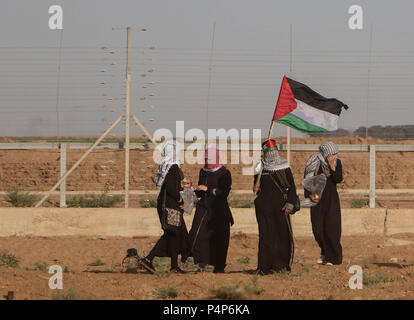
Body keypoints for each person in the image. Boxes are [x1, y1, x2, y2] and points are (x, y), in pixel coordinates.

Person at [141, 140, 190, 273]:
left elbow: (168, 185)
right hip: (170, 206)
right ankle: (148, 259)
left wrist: (180, 187)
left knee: (173, 234)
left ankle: (173, 266)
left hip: (165, 204)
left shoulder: (166, 166)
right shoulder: (173, 167)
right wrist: (180, 200)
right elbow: (170, 188)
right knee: (172, 233)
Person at [253, 139, 297, 274]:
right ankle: (264, 267)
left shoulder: (284, 166)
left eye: (273, 151)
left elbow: (292, 188)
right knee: (265, 236)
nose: (271, 154)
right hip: (264, 208)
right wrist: (256, 187)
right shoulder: (259, 167)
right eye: (268, 152)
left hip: (281, 208)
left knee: (282, 236)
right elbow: (256, 189)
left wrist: (290, 205)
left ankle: (282, 266)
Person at [186, 148, 234, 273]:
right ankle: (201, 263)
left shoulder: (224, 173)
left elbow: (224, 193)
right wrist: (189, 192)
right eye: (205, 159)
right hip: (203, 208)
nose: (207, 161)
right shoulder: (203, 171)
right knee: (198, 234)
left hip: (218, 211)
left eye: (209, 159)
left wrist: (208, 189)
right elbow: (200, 191)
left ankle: (219, 266)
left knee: (219, 238)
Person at [304, 141, 343, 266]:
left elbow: (338, 179)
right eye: (331, 154)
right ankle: (325, 253)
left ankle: (334, 258)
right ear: (325, 153)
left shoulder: (337, 163)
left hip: (331, 200)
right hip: (316, 200)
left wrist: (332, 165)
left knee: (332, 229)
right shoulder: (313, 162)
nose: (333, 156)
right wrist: (309, 195)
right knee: (318, 229)